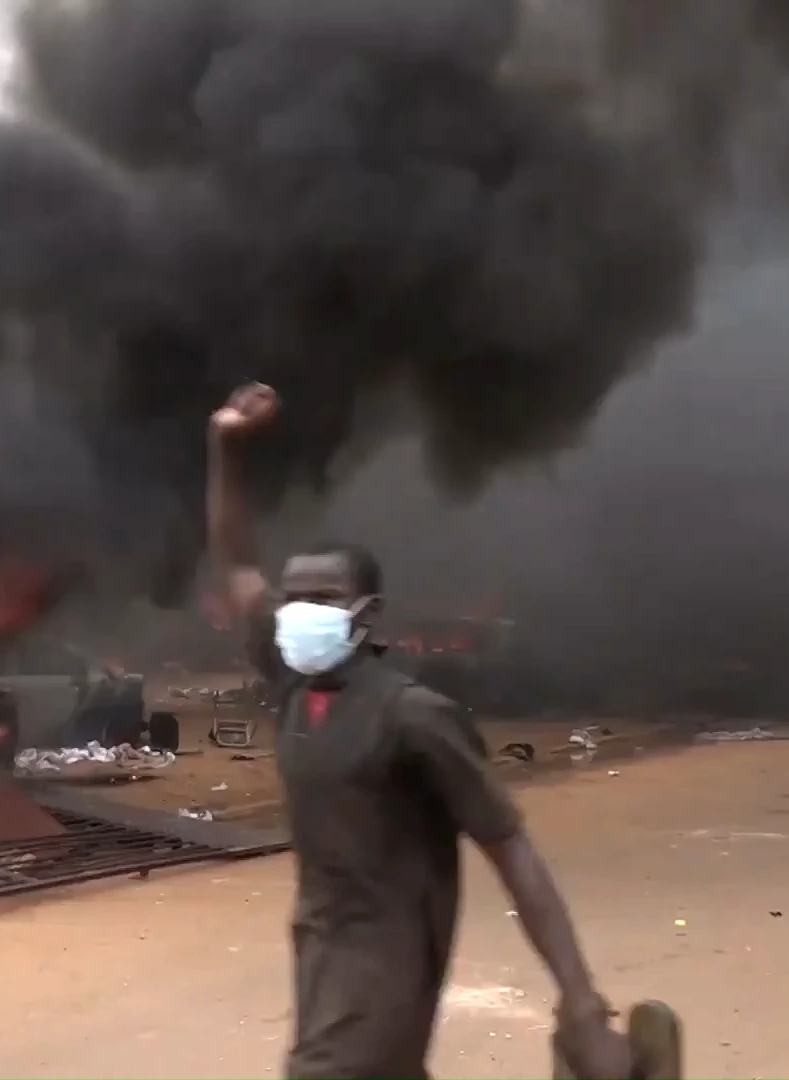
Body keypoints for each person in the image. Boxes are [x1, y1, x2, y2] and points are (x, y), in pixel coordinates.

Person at [206, 382, 632, 1079]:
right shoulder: (293, 685)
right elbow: (239, 564)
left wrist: (580, 1004)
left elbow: (512, 850)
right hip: (319, 947)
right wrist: (222, 445)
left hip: (390, 957)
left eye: (324, 599)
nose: (300, 611)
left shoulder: (412, 716)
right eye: (295, 597)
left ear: (366, 615)